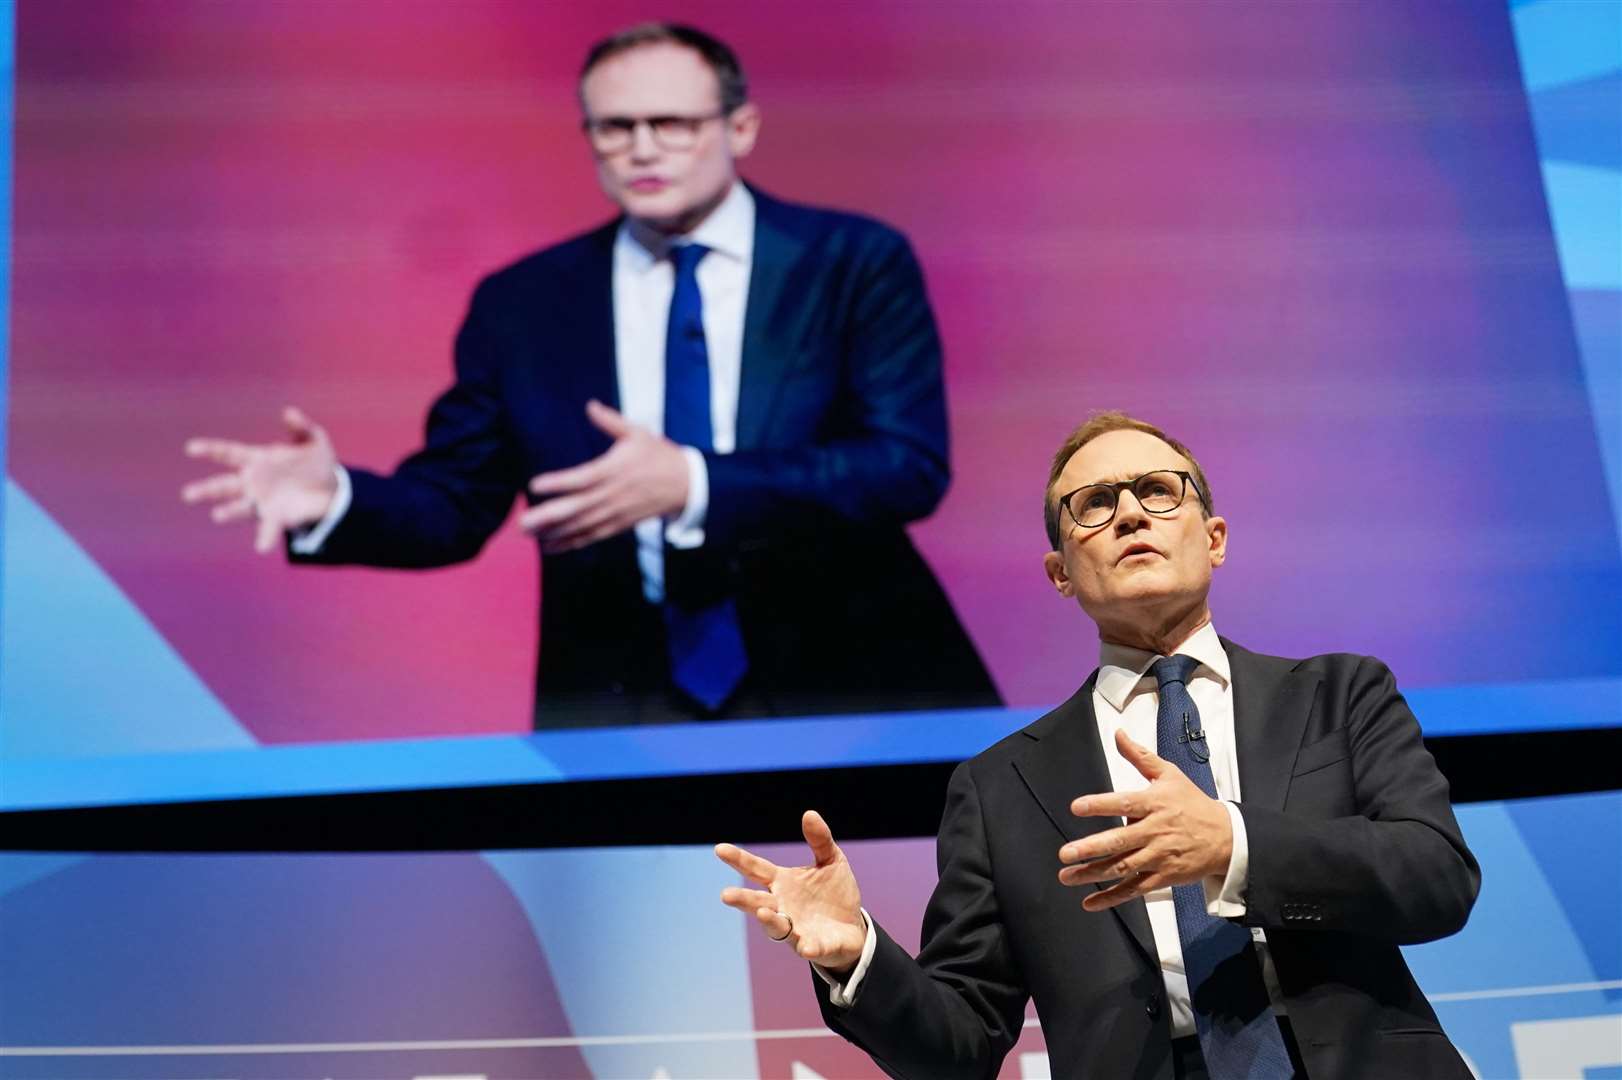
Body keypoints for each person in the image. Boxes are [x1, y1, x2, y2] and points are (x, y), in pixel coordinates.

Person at [180, 23, 1000, 726]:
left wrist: (691, 482)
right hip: (621, 709)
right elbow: (456, 504)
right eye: (615, 128)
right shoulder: (526, 303)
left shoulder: (850, 263)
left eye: (672, 123)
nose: (642, 148)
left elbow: (906, 467)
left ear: (741, 128)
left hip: (855, 692)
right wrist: (339, 501)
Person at [716, 411, 1480, 1079]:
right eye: (1094, 505)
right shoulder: (1001, 788)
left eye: (1158, 491)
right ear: (1059, 574)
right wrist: (855, 955)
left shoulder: (1337, 696)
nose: (1129, 515)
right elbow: (961, 1045)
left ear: (1213, 539)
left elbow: (1436, 878)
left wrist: (1233, 844)